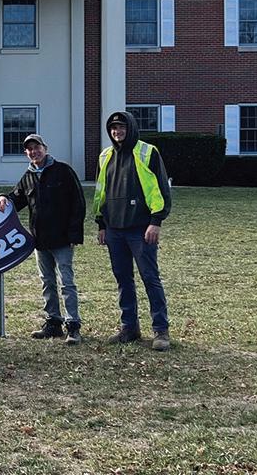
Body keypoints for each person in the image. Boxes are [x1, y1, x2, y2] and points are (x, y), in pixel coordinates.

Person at [0, 133, 86, 345]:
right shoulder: (28, 176)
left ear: (45, 148)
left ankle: (73, 326)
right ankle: (53, 323)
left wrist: (74, 234)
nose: (33, 152)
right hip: (40, 240)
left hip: (62, 238)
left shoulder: (63, 171)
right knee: (47, 282)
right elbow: (16, 199)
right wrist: (3, 197)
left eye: (37, 147)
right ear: (26, 153)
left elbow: (78, 202)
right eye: (29, 149)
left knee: (66, 282)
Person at [94, 111, 174, 351]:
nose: (117, 132)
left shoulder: (148, 152)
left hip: (141, 229)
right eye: (113, 128)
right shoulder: (105, 156)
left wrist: (156, 221)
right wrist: (101, 223)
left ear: (130, 128)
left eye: (121, 127)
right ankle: (129, 328)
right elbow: (101, 191)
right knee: (123, 279)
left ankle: (161, 330)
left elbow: (161, 189)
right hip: (114, 230)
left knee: (150, 278)